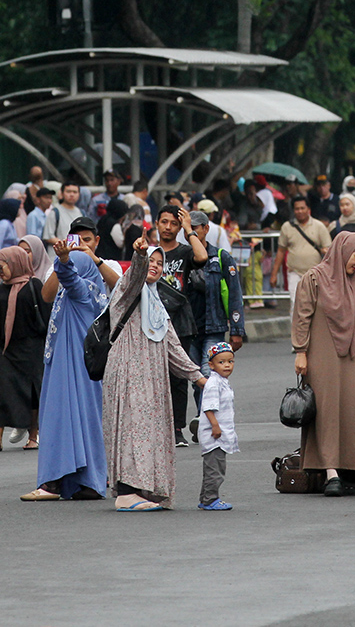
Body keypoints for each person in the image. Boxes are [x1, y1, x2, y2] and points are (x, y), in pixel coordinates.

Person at [103, 239, 205, 511]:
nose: (156, 267)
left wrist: (198, 377)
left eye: (160, 263)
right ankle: (125, 491)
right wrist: (139, 256)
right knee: (131, 426)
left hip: (151, 376)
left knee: (148, 429)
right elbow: (135, 275)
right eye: (152, 261)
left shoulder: (157, 304)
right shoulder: (127, 290)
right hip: (128, 369)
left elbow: (172, 345)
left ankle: (142, 487)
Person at [20, 244, 110, 502]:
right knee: (85, 421)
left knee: (59, 418)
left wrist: (63, 261)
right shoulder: (86, 293)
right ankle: (88, 482)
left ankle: (52, 483)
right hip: (80, 369)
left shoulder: (83, 290)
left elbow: (70, 278)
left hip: (69, 368)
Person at [292, 232, 355, 495]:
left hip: (350, 357)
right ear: (343, 251)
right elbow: (302, 317)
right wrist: (300, 351)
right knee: (327, 413)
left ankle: (352, 468)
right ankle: (331, 472)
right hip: (320, 357)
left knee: (353, 412)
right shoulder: (314, 278)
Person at [0, 246, 51, 452]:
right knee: (2, 391)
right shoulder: (0, 290)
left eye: (1, 268)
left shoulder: (35, 286)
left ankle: (33, 436)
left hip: (31, 348)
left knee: (32, 394)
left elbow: (46, 316)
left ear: (15, 264)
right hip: (6, 350)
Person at [184, 211, 246, 443]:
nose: (191, 232)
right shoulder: (184, 256)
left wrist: (237, 329)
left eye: (196, 228)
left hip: (214, 326)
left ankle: (205, 420)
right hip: (189, 329)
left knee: (209, 374)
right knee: (197, 378)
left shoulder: (222, 257)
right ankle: (206, 420)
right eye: (188, 228)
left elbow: (235, 295)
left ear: (206, 228)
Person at [153, 205, 209, 446]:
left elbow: (202, 257)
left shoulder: (185, 251)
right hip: (151, 321)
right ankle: (155, 428)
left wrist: (189, 230)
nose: (168, 227)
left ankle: (177, 429)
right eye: (164, 222)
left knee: (178, 377)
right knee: (153, 377)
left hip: (180, 322)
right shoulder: (149, 252)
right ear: (156, 223)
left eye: (173, 223)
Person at [198, 342, 238, 511]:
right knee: (215, 469)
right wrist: (215, 426)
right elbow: (208, 407)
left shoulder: (222, 382)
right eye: (221, 362)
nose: (227, 365)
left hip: (220, 433)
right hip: (214, 435)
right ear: (211, 365)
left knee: (214, 467)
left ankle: (205, 498)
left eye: (230, 361)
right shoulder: (213, 383)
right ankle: (210, 499)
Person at [273, 195, 332, 311]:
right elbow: (281, 251)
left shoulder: (319, 226)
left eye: (302, 208)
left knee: (315, 306)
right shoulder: (287, 227)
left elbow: (329, 250)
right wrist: (274, 274)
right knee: (295, 304)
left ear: (308, 209)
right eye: (297, 209)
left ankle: (313, 329)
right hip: (294, 272)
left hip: (315, 274)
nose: (299, 211)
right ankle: (295, 329)